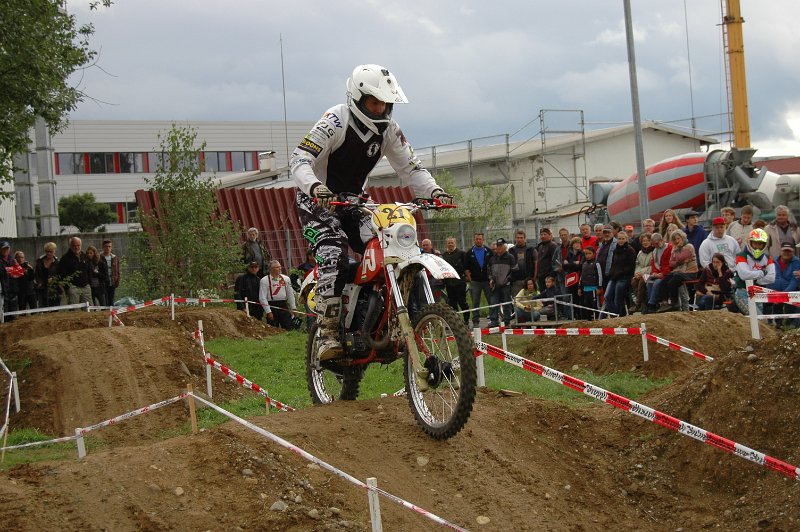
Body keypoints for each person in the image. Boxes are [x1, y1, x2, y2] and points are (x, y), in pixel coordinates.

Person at [290, 64, 452, 359]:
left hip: (356, 202)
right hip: (317, 200)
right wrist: (314, 188)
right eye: (373, 102)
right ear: (357, 98)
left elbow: (411, 167)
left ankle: (386, 317)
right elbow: (299, 158)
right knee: (334, 251)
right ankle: (327, 331)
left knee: (395, 243)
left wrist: (435, 191)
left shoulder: (389, 130)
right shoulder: (335, 120)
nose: (379, 109)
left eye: (384, 104)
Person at [732, 229, 776, 316]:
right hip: (743, 292)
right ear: (750, 242)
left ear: (764, 244)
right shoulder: (741, 256)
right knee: (757, 317)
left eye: (760, 244)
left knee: (761, 321)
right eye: (755, 243)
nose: (757, 246)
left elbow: (771, 277)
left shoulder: (768, 258)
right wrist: (762, 273)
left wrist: (756, 279)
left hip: (758, 293)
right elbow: (744, 275)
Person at [658, 230, 699, 312]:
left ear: (682, 238)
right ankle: (665, 302)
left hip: (690, 272)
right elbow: (671, 264)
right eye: (674, 240)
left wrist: (676, 256)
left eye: (678, 238)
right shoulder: (675, 248)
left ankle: (675, 302)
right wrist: (677, 261)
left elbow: (681, 257)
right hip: (678, 271)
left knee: (673, 281)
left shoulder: (689, 246)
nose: (676, 241)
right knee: (664, 280)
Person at [766, 242, 800, 327]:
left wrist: (782, 295)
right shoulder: (772, 261)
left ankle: (791, 325)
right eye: (785, 251)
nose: (786, 253)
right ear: (780, 251)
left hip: (789, 293)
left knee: (791, 311)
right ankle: (776, 324)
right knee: (771, 308)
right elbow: (768, 278)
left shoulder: (796, 262)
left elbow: (794, 281)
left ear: (793, 252)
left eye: (789, 251)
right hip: (774, 292)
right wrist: (771, 292)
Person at [604, 231, 636, 316]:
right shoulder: (615, 250)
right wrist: (611, 272)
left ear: (626, 239)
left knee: (618, 298)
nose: (621, 240)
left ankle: (620, 315)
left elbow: (631, 266)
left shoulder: (630, 250)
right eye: (619, 239)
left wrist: (621, 272)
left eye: (623, 239)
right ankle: (615, 313)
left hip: (624, 277)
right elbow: (613, 263)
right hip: (613, 277)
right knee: (607, 296)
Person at [487, 238, 517, 327]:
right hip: (495, 285)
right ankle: (494, 321)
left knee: (506, 303)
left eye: (501, 246)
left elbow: (515, 270)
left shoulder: (510, 257)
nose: (499, 248)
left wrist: (508, 280)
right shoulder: (493, 258)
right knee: (493, 302)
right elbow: (489, 270)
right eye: (498, 246)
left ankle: (507, 321)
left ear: (505, 246)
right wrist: (491, 279)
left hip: (506, 285)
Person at [259, 260, 297, 329]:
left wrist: (293, 307)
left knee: (288, 326)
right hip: (272, 305)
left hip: (283, 304)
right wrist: (268, 311)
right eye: (277, 267)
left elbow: (290, 294)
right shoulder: (264, 280)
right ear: (271, 269)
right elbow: (262, 297)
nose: (280, 269)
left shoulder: (286, 279)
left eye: (280, 267)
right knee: (273, 327)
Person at [466, 233, 492, 328]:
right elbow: (466, 268)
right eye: (476, 239)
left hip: (487, 281)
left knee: (491, 300)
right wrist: (470, 279)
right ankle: (476, 321)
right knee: (475, 302)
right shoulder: (469, 252)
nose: (478, 241)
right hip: (475, 282)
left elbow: (492, 265)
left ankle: (493, 319)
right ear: (474, 240)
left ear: (483, 240)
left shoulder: (488, 251)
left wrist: (491, 279)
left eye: (480, 239)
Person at [441, 237, 469, 324]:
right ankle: (456, 322)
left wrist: (468, 278)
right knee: (452, 304)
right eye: (449, 243)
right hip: (449, 283)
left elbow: (466, 267)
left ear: (455, 243)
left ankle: (466, 321)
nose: (450, 244)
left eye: (452, 243)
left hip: (460, 282)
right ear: (446, 244)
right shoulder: (444, 255)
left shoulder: (461, 253)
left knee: (462, 302)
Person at [56, 236, 92, 305]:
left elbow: (89, 270)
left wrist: (89, 283)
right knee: (74, 308)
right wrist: (68, 287)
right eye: (74, 245)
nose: (76, 247)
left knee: (89, 308)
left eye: (78, 245)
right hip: (73, 287)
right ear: (70, 246)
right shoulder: (65, 258)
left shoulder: (84, 256)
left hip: (85, 286)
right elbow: (61, 274)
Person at [643, 233, 673, 313]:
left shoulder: (669, 248)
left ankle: (651, 304)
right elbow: (653, 264)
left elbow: (670, 264)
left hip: (667, 274)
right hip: (659, 273)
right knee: (649, 282)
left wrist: (662, 273)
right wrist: (654, 273)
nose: (655, 246)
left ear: (661, 240)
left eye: (656, 243)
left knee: (657, 283)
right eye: (653, 244)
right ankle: (651, 303)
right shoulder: (655, 251)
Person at [509, 230, 537, 297]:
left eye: (521, 238)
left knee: (530, 299)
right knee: (517, 299)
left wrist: (534, 277)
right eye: (518, 238)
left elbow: (536, 264)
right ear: (515, 238)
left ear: (525, 238)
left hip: (528, 280)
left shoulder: (531, 249)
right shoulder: (511, 250)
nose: (519, 239)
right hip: (516, 281)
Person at [630, 233, 653, 313]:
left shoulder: (654, 252)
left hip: (651, 273)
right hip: (641, 273)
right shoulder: (640, 253)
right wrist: (637, 273)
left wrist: (642, 273)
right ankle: (643, 303)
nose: (645, 242)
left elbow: (652, 266)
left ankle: (638, 303)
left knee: (642, 281)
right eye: (644, 241)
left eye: (647, 240)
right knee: (634, 281)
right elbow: (637, 264)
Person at [578, 246, 603, 320]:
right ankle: (589, 320)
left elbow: (600, 275)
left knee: (595, 305)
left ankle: (598, 319)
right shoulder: (584, 264)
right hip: (585, 289)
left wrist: (599, 287)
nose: (587, 255)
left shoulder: (596, 263)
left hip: (594, 289)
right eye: (586, 254)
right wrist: (579, 287)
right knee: (587, 305)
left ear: (594, 254)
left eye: (589, 253)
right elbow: (581, 276)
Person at [34, 242, 60, 307]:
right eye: (47, 251)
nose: (49, 253)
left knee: (54, 307)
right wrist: (39, 282)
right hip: (42, 289)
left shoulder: (57, 262)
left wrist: (53, 279)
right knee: (43, 307)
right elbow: (36, 274)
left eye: (51, 252)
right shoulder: (39, 261)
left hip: (54, 289)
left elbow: (60, 274)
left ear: (54, 251)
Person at [535, 228, 559, 293]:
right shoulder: (540, 246)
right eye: (541, 234)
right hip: (541, 276)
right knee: (543, 295)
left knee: (550, 295)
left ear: (549, 235)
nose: (543, 236)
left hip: (549, 276)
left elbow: (555, 261)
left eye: (545, 234)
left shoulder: (553, 246)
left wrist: (552, 275)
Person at [0, 241, 19, 316]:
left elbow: (18, 273)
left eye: (7, 248)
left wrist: (16, 267)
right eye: (3, 249)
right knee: (4, 316)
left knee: (13, 316)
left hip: (13, 290)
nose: (6, 250)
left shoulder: (13, 260)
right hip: (3, 291)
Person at [100, 239, 120, 307]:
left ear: (111, 247)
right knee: (104, 301)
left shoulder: (115, 258)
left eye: (109, 246)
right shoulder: (99, 257)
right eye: (106, 246)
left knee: (111, 301)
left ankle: (111, 313)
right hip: (103, 283)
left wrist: (117, 281)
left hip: (112, 282)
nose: (108, 248)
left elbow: (117, 271)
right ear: (103, 247)